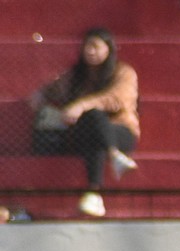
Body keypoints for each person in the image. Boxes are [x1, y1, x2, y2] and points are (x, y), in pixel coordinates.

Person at [30, 27, 140, 218]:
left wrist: (82, 105)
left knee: (94, 117)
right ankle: (113, 157)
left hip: (120, 131)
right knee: (92, 123)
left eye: (96, 46)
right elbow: (54, 88)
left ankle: (94, 192)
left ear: (108, 49)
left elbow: (119, 99)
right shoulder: (76, 76)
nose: (90, 51)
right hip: (82, 134)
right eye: (87, 46)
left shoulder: (123, 72)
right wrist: (40, 94)